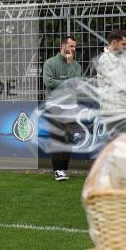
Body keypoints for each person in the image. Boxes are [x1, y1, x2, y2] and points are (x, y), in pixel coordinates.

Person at [43, 36, 83, 181]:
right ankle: (57, 170)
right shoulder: (50, 63)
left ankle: (64, 169)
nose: (73, 49)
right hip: (54, 106)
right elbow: (48, 82)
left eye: (74, 47)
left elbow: (76, 84)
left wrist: (70, 63)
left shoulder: (76, 65)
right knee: (57, 139)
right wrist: (67, 83)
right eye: (71, 46)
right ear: (63, 46)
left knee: (68, 140)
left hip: (71, 106)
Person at [94, 30, 126, 114]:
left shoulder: (118, 58)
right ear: (114, 42)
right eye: (123, 44)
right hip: (112, 110)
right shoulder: (106, 60)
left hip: (121, 108)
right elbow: (121, 83)